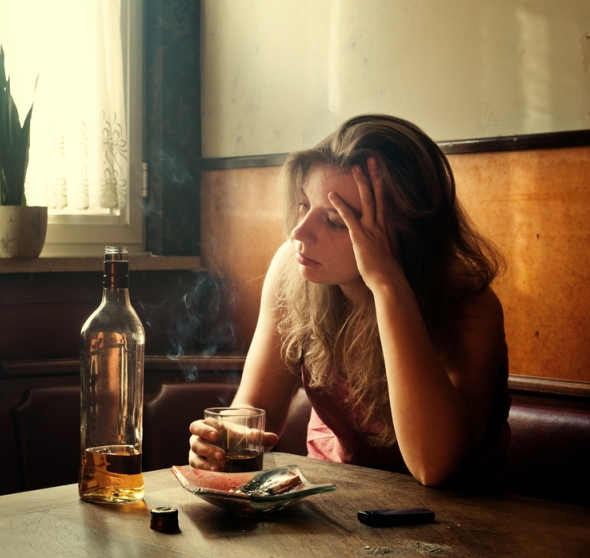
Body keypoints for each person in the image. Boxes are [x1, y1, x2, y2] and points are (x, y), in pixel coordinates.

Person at [189, 114, 510, 487]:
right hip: (334, 499)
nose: (299, 232)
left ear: (402, 233)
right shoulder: (292, 269)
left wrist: (387, 284)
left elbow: (434, 465)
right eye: (303, 204)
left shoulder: (470, 304)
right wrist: (218, 446)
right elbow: (254, 417)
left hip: (459, 518)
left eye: (336, 222)